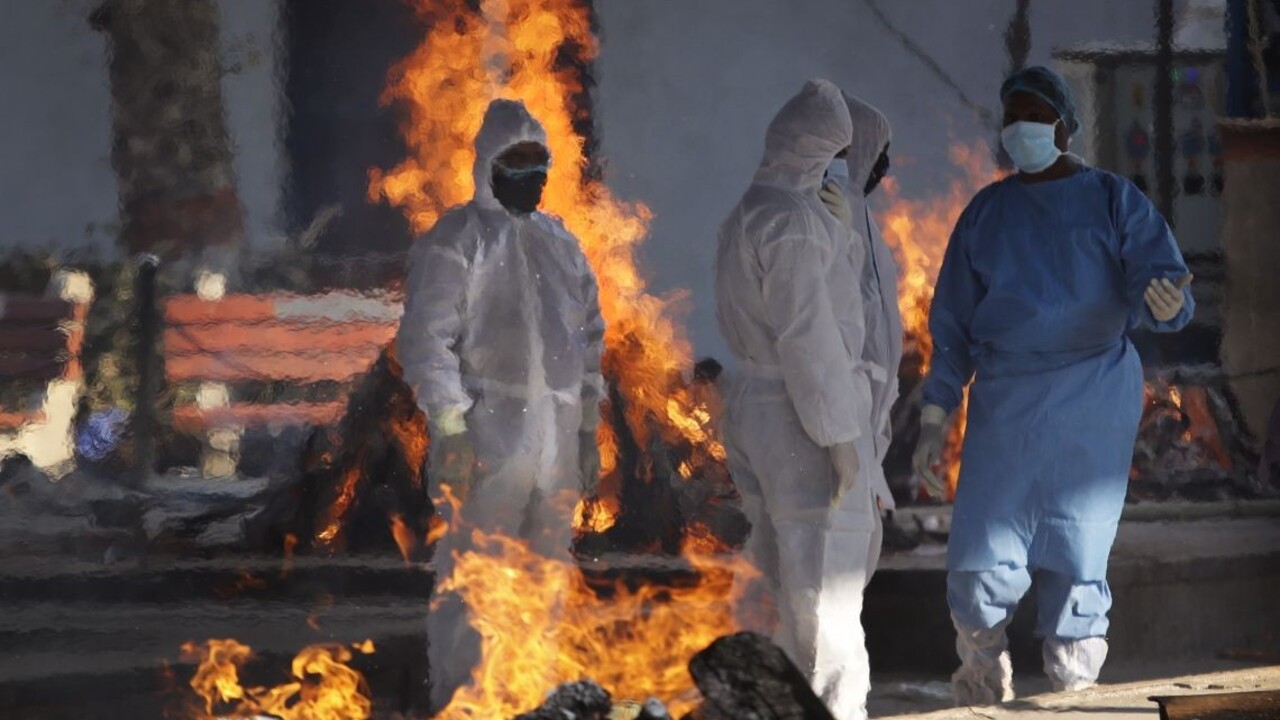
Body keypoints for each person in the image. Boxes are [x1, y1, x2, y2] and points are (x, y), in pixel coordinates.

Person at [911, 66, 1194, 704]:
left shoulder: (1114, 200)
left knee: (1077, 549)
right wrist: (936, 414)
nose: (1023, 128)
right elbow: (952, 326)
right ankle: (981, 678)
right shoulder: (986, 213)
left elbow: (1165, 288)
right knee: (982, 552)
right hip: (1006, 402)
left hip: (1091, 397)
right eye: (1013, 116)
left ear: (1066, 125)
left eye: (1037, 114)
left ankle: (1073, 693)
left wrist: (1168, 300)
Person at [396, 98, 606, 711]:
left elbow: (590, 338)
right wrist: (452, 429)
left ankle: (534, 696)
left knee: (546, 578)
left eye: (540, 162)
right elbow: (427, 340)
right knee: (476, 577)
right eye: (517, 162)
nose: (533, 176)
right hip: (487, 434)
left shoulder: (561, 242)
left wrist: (589, 429)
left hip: (556, 439)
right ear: (488, 166)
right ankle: (469, 701)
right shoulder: (457, 240)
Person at [716, 78, 882, 720]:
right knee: (827, 593)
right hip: (802, 418)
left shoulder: (752, 210)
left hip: (761, 411)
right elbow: (811, 339)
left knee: (777, 585)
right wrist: (839, 439)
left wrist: (842, 238)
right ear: (820, 153)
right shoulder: (794, 222)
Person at [824, 90, 902, 517]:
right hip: (839, 409)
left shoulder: (862, 215)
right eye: (876, 148)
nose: (881, 162)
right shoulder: (824, 210)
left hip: (869, 413)